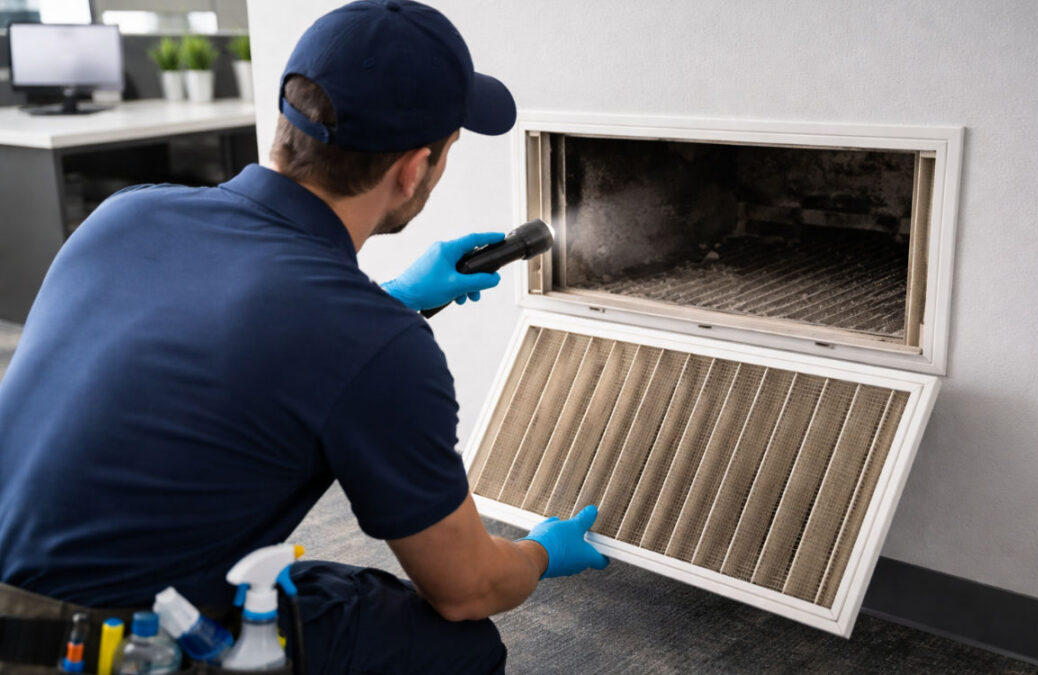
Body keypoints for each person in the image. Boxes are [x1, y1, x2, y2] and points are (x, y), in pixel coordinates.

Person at [0, 2, 608, 673]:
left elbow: (251, 340)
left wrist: (395, 299)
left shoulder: (125, 214)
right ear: (414, 170)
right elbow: (469, 589)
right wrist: (539, 551)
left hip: (20, 609)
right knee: (454, 646)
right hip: (100, 654)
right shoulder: (371, 341)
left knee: (325, 591)